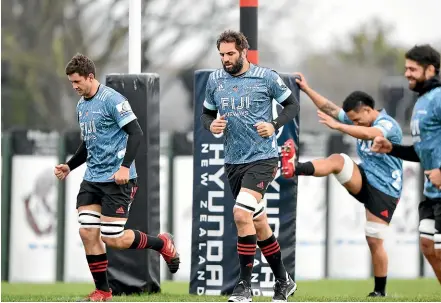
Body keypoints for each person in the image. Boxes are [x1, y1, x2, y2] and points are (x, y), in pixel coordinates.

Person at [54, 53, 180, 302]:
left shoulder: (113, 100)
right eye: (71, 83)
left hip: (118, 180)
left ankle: (162, 243)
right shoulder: (82, 106)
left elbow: (136, 133)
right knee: (87, 233)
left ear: (90, 77)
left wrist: (124, 167)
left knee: (114, 239)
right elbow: (88, 143)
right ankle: (103, 291)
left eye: (77, 81)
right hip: (92, 179)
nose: (74, 87)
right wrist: (70, 166)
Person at [282, 73, 403, 297]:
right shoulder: (359, 118)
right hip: (364, 178)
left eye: (356, 119)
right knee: (338, 160)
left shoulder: (388, 125)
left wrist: (339, 127)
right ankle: (293, 168)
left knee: (374, 240)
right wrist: (307, 89)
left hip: (385, 190)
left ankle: (379, 291)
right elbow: (330, 108)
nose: (354, 123)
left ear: (368, 110)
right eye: (351, 120)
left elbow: (368, 133)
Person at [201, 30, 299, 302]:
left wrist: (274, 125)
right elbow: (206, 113)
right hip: (233, 162)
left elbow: (291, 105)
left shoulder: (266, 77)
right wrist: (212, 124)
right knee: (258, 222)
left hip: (263, 159)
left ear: (243, 51)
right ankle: (283, 280)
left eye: (230, 53)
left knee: (241, 215)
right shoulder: (214, 80)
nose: (225, 59)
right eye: (221, 54)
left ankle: (244, 286)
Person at [371, 44, 441, 284]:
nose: (407, 73)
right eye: (406, 68)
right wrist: (392, 148)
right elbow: (423, 151)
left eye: (412, 69)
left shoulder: (439, 97)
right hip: (432, 193)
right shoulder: (421, 102)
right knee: (428, 245)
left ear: (430, 70)